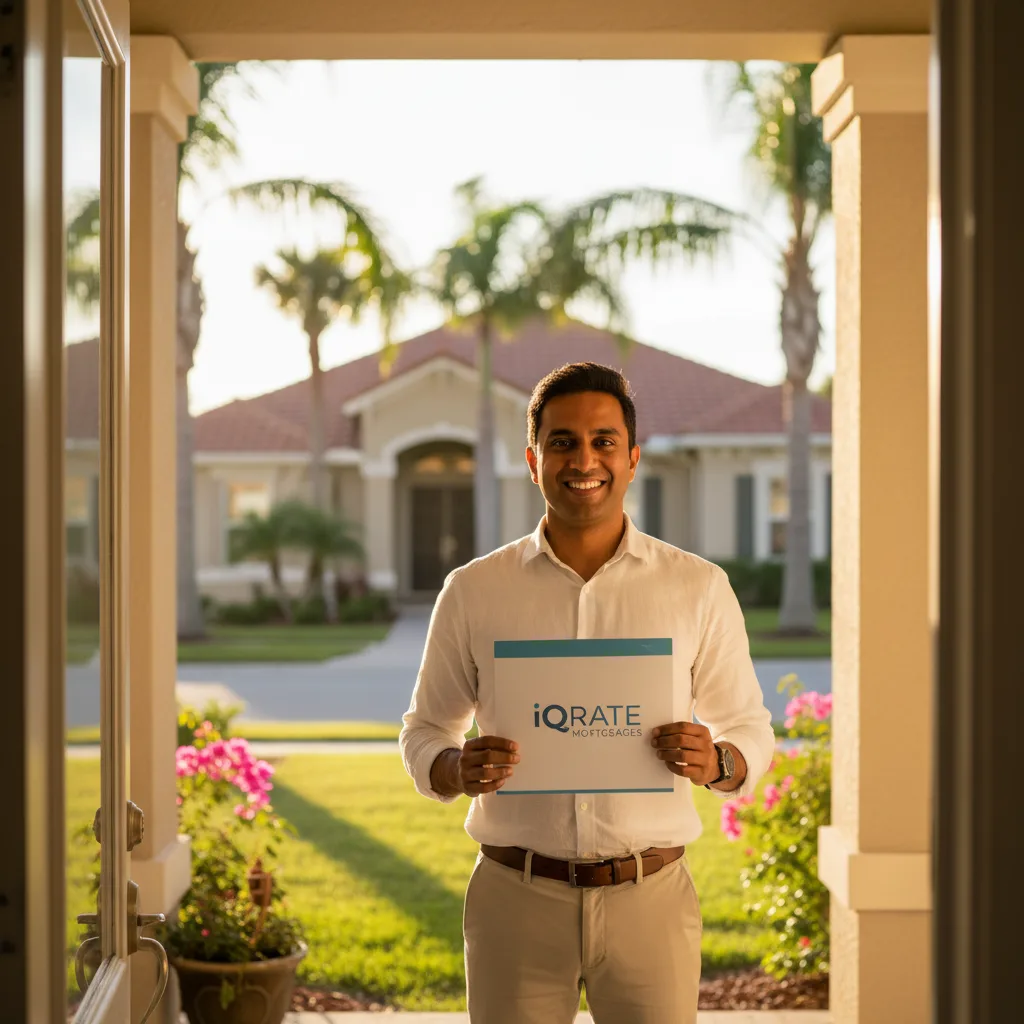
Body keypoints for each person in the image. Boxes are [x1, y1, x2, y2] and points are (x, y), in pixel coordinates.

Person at [400, 361, 775, 1024]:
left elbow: (748, 726)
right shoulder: (474, 591)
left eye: (603, 441)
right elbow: (425, 732)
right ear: (533, 459)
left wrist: (718, 760)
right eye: (563, 441)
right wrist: (458, 767)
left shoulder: (696, 588)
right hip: (516, 900)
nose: (584, 459)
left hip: (649, 897)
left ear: (631, 460)